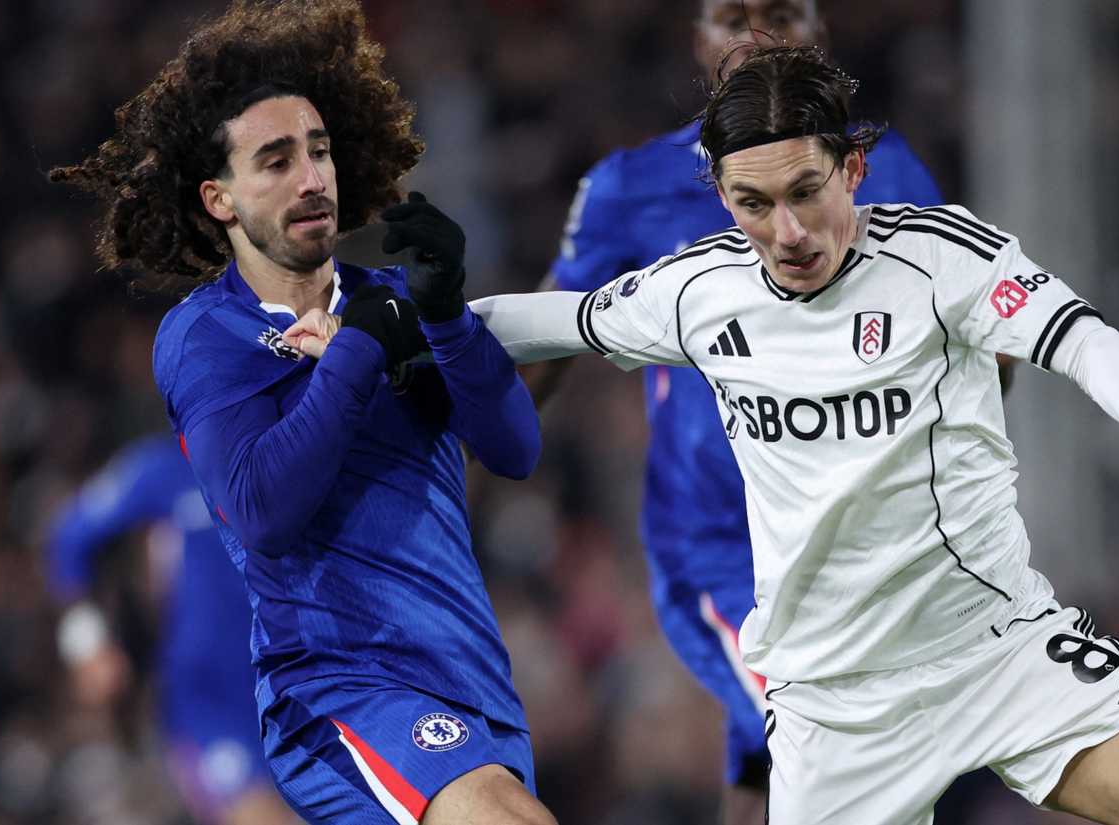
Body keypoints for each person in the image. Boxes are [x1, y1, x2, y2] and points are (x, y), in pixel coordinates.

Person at [288, 45, 1119, 825]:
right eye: (754, 203)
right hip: (831, 706)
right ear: (722, 195)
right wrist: (375, 331)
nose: (789, 229)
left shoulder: (942, 256)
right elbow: (552, 320)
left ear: (852, 165)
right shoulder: (699, 291)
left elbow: (1078, 334)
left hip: (997, 649)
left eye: (807, 190)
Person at [49, 2, 554, 823]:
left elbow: (516, 447)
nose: (312, 177)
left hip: (472, 680)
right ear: (220, 198)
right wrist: (360, 352)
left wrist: (448, 314)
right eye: (276, 160)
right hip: (342, 690)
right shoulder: (206, 337)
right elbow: (262, 510)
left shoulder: (390, 300)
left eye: (318, 152)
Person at [531, 2, 943, 819]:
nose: (756, 34)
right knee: (821, 739)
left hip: (853, 542)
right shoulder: (631, 188)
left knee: (766, 770)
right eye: (731, 17)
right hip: (721, 547)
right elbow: (542, 336)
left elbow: (971, 343)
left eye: (782, 14)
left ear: (820, 36)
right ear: (699, 43)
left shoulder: (889, 175)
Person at [46, 435, 299, 825]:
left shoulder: (300, 446)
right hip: (211, 695)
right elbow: (70, 539)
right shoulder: (165, 469)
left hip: (301, 674)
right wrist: (88, 644)